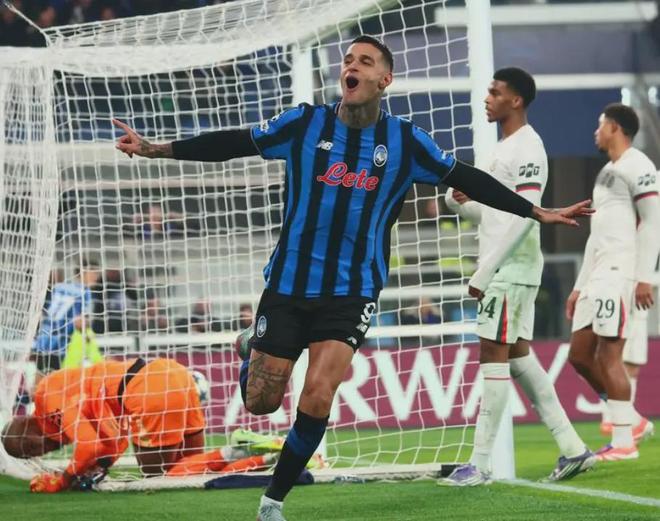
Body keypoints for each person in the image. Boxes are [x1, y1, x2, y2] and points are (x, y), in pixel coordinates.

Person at [113, 36, 592, 521]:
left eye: (365, 61)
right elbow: (237, 142)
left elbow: (465, 177)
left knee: (318, 395)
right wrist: (158, 149)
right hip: (289, 285)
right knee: (260, 403)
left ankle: (272, 502)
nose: (353, 66)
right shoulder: (305, 123)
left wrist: (535, 211)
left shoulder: (406, 141)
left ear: (385, 80)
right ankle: (251, 343)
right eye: (348, 60)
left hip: (352, 291)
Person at [442, 67, 595, 486]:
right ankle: (573, 448)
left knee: (491, 354)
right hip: (506, 267)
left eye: (495, 92)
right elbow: (492, 215)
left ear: (516, 100)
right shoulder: (500, 149)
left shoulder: (529, 148)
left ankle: (480, 464)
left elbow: (526, 218)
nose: (487, 98)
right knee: (517, 357)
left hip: (510, 269)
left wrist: (486, 270)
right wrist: (459, 202)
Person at [1, 358, 277, 492]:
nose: (40, 453)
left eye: (30, 450)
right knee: (194, 471)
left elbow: (89, 446)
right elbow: (114, 441)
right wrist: (101, 466)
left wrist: (64, 479)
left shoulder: (48, 402)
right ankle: (265, 455)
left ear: (27, 433)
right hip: (173, 373)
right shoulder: (65, 404)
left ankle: (238, 450)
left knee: (159, 477)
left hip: (147, 391)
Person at [567, 104, 659, 461]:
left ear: (615, 128)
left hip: (621, 272)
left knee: (609, 356)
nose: (596, 131)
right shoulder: (606, 173)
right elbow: (596, 234)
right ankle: (632, 419)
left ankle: (623, 443)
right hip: (597, 276)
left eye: (600, 125)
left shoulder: (639, 166)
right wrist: (579, 285)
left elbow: (653, 222)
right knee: (579, 356)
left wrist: (644, 277)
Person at [32, 259, 101, 384]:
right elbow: (79, 322)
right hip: (61, 342)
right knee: (56, 383)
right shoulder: (85, 293)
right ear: (83, 272)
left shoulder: (59, 287)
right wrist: (88, 333)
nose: (97, 277)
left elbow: (44, 312)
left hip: (44, 338)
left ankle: (34, 395)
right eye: (94, 273)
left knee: (40, 378)